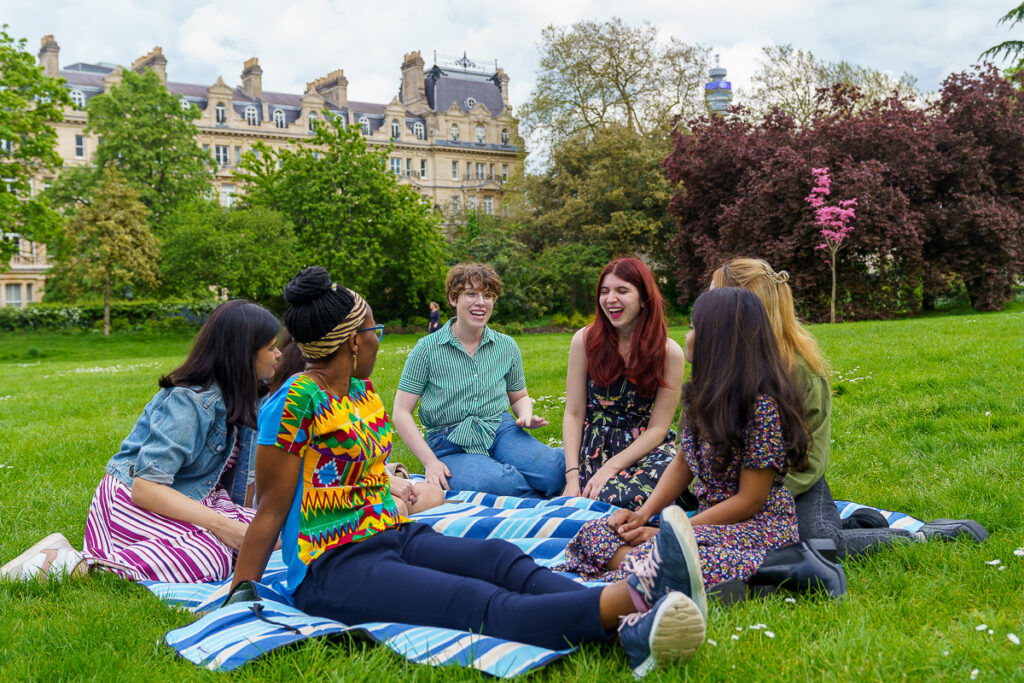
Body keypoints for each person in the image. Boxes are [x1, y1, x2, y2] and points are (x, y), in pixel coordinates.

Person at [230, 266, 709, 677]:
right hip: (330, 566)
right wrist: (239, 594)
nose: (380, 338)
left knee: (499, 560)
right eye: (375, 331)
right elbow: (270, 507)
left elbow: (362, 477)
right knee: (474, 603)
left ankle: (634, 623)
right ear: (354, 342)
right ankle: (637, 598)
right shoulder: (294, 401)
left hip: (389, 533)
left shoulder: (361, 395)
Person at [558, 288, 846, 598]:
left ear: (720, 338)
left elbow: (750, 499)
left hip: (756, 527)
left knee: (653, 557)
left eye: (694, 328)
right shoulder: (701, 393)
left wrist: (672, 530)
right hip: (708, 525)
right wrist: (644, 514)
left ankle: (782, 566)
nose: (687, 336)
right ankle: (732, 582)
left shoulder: (761, 406)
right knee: (593, 535)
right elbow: (683, 462)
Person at [711, 258, 988, 557]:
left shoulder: (802, 372)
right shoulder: (714, 367)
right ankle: (859, 523)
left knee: (817, 547)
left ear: (743, 311)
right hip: (734, 492)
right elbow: (691, 446)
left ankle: (922, 537)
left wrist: (756, 502)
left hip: (795, 486)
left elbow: (812, 461)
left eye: (712, 298)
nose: (703, 310)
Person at [1, 300, 281, 583]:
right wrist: (226, 528)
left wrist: (243, 523)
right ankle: (68, 565)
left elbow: (244, 480)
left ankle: (87, 559)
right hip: (134, 503)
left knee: (272, 536)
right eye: (271, 347)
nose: (278, 354)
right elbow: (145, 489)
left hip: (196, 500)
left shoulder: (249, 396)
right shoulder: (191, 402)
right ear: (242, 354)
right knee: (213, 555)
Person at [392, 263, 564, 497]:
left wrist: (524, 415)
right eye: (471, 294)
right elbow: (401, 412)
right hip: (449, 443)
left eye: (488, 295)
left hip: (500, 428)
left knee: (553, 471)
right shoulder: (427, 349)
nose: (481, 302)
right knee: (499, 484)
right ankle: (533, 491)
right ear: (454, 299)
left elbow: (519, 395)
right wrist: (430, 462)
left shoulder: (506, 346)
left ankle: (541, 484)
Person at [268, 334, 444, 517]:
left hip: (364, 481)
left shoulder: (357, 391)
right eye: (371, 332)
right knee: (397, 507)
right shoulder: (301, 401)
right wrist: (384, 483)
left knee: (432, 495)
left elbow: (368, 459)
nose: (376, 341)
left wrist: (385, 478)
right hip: (329, 496)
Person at [562, 257, 686, 510]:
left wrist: (612, 467)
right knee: (605, 498)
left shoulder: (668, 353)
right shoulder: (585, 341)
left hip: (646, 448)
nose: (610, 299)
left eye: (622, 291)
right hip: (596, 446)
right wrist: (571, 476)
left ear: (643, 299)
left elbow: (658, 428)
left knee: (672, 486)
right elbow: (574, 413)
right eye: (605, 292)